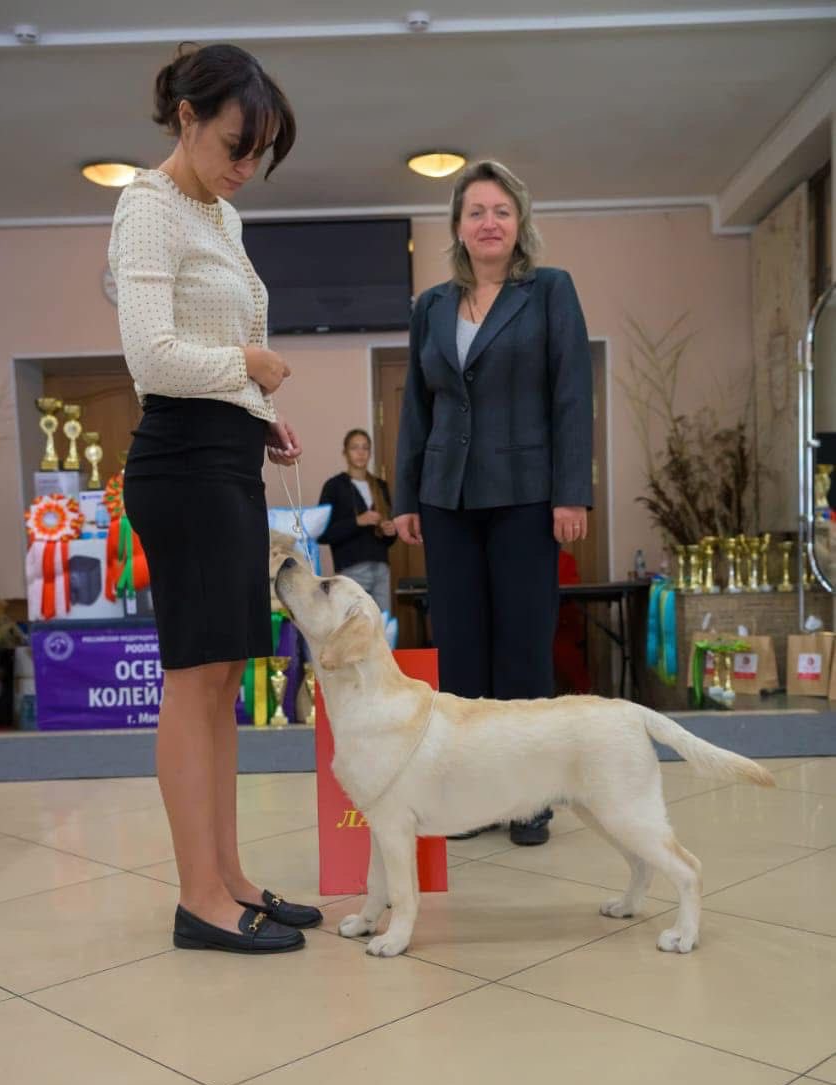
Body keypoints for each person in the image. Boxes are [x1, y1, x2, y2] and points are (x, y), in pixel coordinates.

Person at [110, 43, 322, 954]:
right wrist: (247, 367)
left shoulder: (220, 216)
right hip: (182, 465)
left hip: (226, 457)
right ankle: (198, 899)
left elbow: (219, 349)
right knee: (193, 680)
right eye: (238, 145)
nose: (246, 168)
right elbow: (152, 356)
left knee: (226, 678)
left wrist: (259, 413)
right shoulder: (146, 208)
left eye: (260, 154)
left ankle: (228, 875)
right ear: (188, 118)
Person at [394, 159, 592, 847]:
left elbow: (572, 397)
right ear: (457, 225)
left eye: (501, 211)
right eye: (475, 211)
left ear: (519, 223)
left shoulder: (550, 291)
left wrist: (572, 493)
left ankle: (528, 800)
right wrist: (406, 494)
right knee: (460, 651)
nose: (488, 223)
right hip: (446, 499)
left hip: (526, 498)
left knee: (523, 647)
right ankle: (469, 801)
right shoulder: (431, 306)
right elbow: (416, 408)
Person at [317, 430, 397, 613]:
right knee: (355, 624)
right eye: (354, 448)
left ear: (370, 452)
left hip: (381, 569)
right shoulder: (334, 486)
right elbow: (322, 534)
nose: (360, 453)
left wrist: (391, 532)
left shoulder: (381, 486)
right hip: (350, 571)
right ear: (345, 452)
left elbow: (389, 540)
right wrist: (357, 522)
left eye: (365, 448)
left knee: (382, 624)